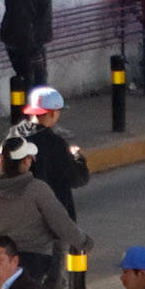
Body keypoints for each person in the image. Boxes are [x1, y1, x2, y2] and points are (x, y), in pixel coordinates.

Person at [0, 129, 89, 289]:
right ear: (26, 161)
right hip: (34, 259)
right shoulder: (37, 189)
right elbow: (61, 222)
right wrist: (84, 242)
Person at [20, 85, 92, 218]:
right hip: (55, 218)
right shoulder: (56, 144)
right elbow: (77, 179)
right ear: (52, 113)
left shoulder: (16, 142)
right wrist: (78, 158)